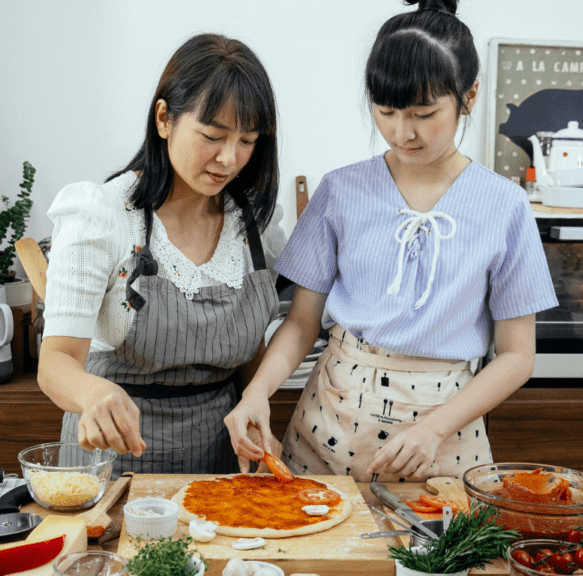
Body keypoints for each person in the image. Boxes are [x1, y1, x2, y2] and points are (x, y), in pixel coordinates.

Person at [224, 0, 558, 482]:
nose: (404, 132)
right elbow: (300, 323)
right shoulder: (341, 191)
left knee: (438, 551)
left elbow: (516, 355)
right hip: (330, 422)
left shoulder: (505, 206)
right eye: (386, 111)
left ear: (470, 96)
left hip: (445, 431)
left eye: (425, 113)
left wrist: (434, 429)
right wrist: (257, 392)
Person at [37, 33, 283, 478]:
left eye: (247, 141)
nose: (229, 159)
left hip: (220, 456)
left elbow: (249, 349)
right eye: (213, 135)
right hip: (113, 456)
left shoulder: (255, 226)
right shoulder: (103, 215)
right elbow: (55, 364)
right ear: (165, 118)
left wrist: (256, 411)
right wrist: (92, 394)